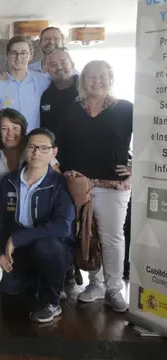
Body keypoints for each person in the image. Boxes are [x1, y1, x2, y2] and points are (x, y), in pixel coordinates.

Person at [60, 61, 132, 313]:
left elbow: (149, 139)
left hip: (114, 185)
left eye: (102, 76)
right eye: (91, 76)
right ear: (82, 81)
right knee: (88, 236)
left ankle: (114, 288)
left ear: (111, 78)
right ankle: (96, 284)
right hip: (80, 185)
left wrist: (135, 168)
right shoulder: (72, 110)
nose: (96, 81)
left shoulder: (125, 109)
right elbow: (63, 146)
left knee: (112, 236)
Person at [0, 128, 75, 323]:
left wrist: (18, 238)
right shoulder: (9, 182)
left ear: (54, 153)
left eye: (43, 148)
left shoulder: (60, 184)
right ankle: (35, 283)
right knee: (7, 286)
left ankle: (52, 301)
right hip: (16, 251)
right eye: (32, 147)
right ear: (25, 150)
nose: (36, 152)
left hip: (53, 248)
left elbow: (63, 227)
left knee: (45, 247)